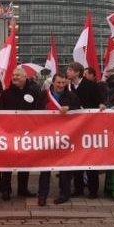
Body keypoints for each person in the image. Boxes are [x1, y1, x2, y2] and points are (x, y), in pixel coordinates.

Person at [37, 73, 81, 206]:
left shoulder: (71, 96)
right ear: (53, 83)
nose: (61, 85)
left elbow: (79, 111)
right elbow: (36, 111)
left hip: (65, 136)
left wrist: (70, 108)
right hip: (47, 135)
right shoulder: (44, 95)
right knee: (45, 168)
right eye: (58, 83)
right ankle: (42, 195)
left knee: (64, 168)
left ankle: (64, 194)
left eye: (63, 83)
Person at [0, 67, 40, 200]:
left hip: (26, 134)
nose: (14, 77)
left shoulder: (34, 92)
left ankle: (23, 189)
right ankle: (6, 190)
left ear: (25, 77)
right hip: (9, 133)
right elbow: (0, 112)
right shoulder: (6, 94)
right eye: (13, 75)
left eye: (18, 75)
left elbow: (39, 110)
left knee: (25, 162)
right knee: (7, 163)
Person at [66, 62, 106, 199]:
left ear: (77, 72)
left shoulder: (91, 85)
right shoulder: (68, 87)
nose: (68, 72)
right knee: (76, 158)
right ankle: (78, 188)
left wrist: (101, 104)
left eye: (70, 70)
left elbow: (100, 100)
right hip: (75, 128)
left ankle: (93, 190)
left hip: (90, 127)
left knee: (90, 159)